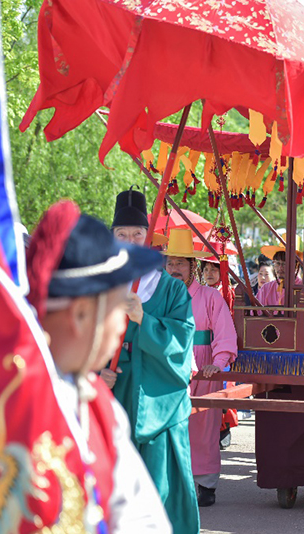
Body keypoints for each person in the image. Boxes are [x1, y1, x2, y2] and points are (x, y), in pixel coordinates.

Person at [23, 200, 172, 532]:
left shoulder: (98, 407)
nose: (123, 323)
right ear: (79, 315)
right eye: (117, 307)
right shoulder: (16, 405)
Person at [100, 188, 200, 534]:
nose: (130, 240)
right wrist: (96, 371)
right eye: (122, 235)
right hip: (111, 397)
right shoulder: (100, 284)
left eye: (137, 234)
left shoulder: (170, 289)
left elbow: (182, 342)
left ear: (148, 236)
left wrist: (146, 320)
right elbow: (77, 335)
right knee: (111, 487)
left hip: (159, 400)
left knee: (159, 489)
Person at [163, 229, 238, 507]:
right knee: (169, 427)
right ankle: (172, 482)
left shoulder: (209, 296)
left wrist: (217, 364)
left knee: (203, 427)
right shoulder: (158, 295)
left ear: (193, 266)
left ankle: (206, 485)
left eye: (181, 263)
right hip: (167, 368)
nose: (175, 269)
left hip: (203, 367)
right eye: (170, 263)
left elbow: (224, 333)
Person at [258, 238, 303, 307]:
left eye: (285, 264)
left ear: (296, 266)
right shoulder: (265, 289)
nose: (280, 268)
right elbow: (255, 313)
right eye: (277, 263)